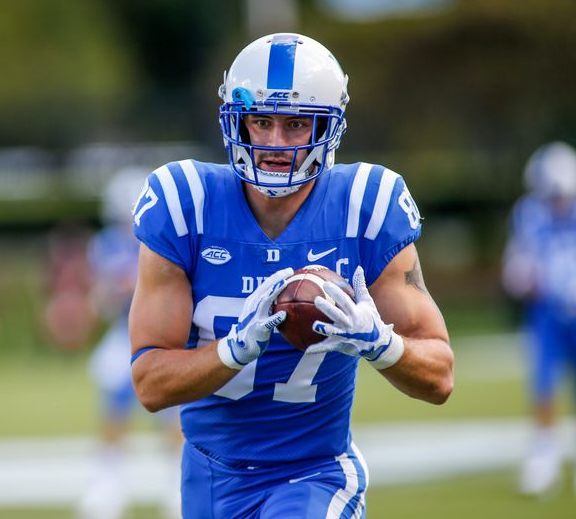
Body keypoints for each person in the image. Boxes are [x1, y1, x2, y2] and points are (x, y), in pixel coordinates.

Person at [128, 32, 454, 518]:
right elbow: (150, 385)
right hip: (209, 476)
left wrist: (379, 343)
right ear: (237, 121)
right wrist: (234, 350)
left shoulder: (365, 205)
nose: (275, 143)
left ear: (329, 128)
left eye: (296, 124)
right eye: (261, 121)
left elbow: (439, 375)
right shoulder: (185, 204)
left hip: (315, 473)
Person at [77, 167, 182, 519]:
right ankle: (109, 482)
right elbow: (102, 299)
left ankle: (177, 482)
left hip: (163, 333)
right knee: (115, 407)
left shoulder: (163, 238)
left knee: (171, 412)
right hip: (124, 333)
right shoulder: (105, 244)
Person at [501, 141, 576, 500]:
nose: (555, 202)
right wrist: (521, 276)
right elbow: (516, 265)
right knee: (544, 386)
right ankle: (544, 458)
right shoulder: (529, 213)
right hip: (547, 314)